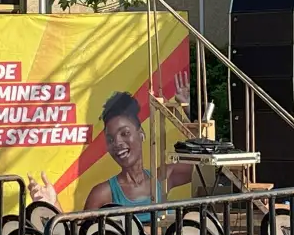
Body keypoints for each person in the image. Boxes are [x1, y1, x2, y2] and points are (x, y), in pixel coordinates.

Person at [29, 73, 193, 219]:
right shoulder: (103, 193)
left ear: (141, 134)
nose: (118, 143)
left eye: (125, 133)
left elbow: (204, 166)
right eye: (110, 139)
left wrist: (189, 112)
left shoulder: (163, 178)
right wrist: (53, 204)